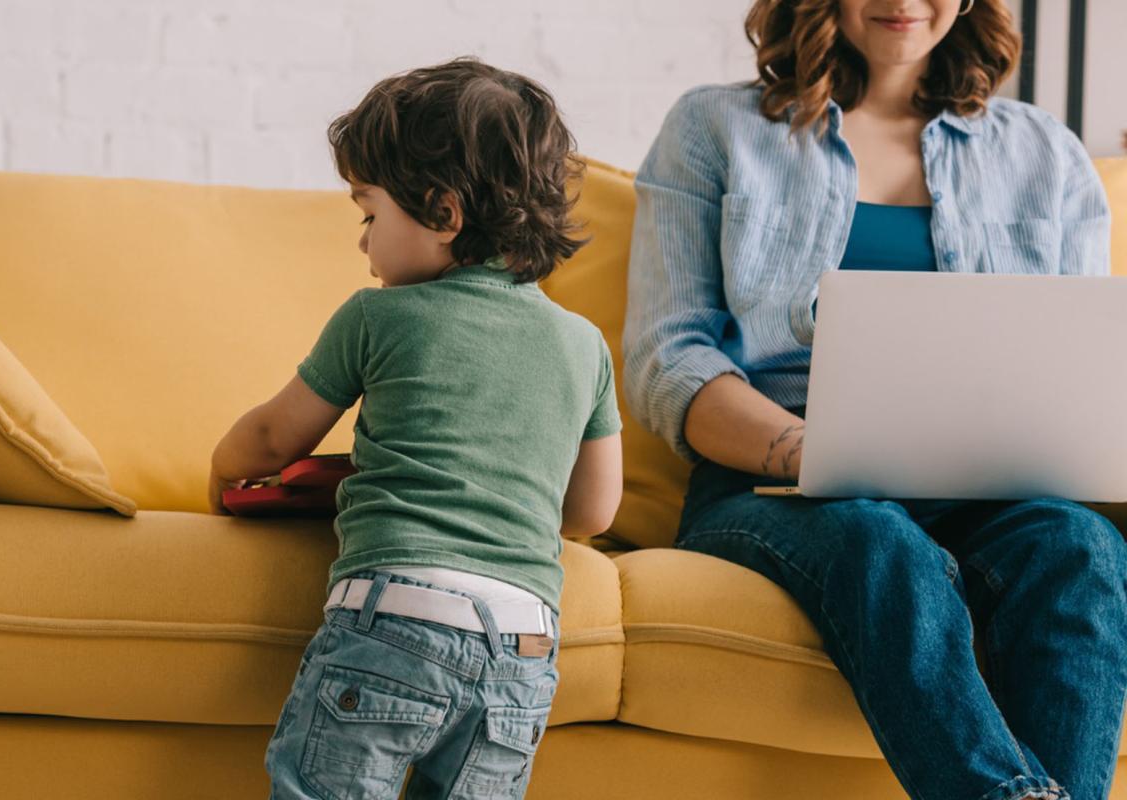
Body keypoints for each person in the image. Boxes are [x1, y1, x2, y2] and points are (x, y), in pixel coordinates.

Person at [623, 1, 1125, 798]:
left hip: (984, 490)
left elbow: (1080, 356)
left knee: (1082, 547)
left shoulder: (1047, 154)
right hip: (773, 484)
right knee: (875, 534)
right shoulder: (713, 128)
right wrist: (804, 450)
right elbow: (667, 355)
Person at [209, 57, 623, 800]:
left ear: (442, 212)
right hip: (525, 644)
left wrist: (219, 472)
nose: (363, 242)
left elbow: (273, 441)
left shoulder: (378, 317)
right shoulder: (584, 344)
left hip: (395, 621)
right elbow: (592, 513)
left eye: (370, 214)